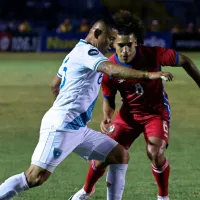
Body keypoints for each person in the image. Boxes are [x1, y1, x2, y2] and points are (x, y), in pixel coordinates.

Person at [0, 15, 172, 200]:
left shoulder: (76, 51)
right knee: (35, 177)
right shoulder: (88, 53)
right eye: (110, 39)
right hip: (62, 126)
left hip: (77, 128)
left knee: (118, 155)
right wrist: (148, 75)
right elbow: (112, 70)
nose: (111, 44)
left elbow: (54, 84)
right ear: (97, 33)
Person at [69, 10, 200, 200]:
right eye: (121, 45)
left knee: (155, 152)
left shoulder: (153, 54)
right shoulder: (109, 68)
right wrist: (107, 116)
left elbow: (186, 61)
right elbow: (109, 99)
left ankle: (163, 197)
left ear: (136, 42)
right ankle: (86, 190)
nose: (125, 50)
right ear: (113, 44)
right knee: (104, 153)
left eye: (129, 45)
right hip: (128, 115)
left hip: (156, 113)